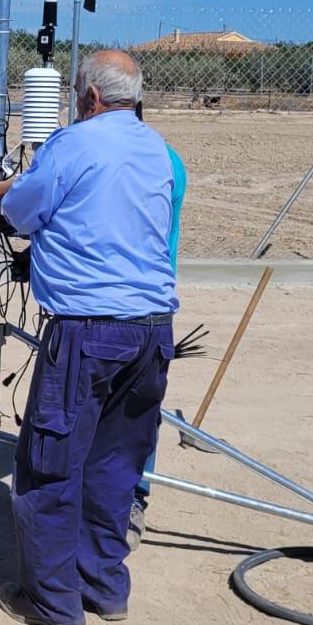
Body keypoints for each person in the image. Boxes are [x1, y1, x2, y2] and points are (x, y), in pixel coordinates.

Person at [0, 50, 177, 625]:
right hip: (151, 334)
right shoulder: (157, 149)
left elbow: (20, 214)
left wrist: (6, 189)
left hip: (87, 334)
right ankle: (104, 588)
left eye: (76, 93)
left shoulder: (72, 143)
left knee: (50, 464)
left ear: (90, 98)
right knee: (116, 464)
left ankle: (53, 604)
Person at [128, 124, 187, 548]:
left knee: (133, 412)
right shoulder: (168, 158)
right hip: (153, 311)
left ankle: (131, 498)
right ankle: (129, 498)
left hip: (116, 308)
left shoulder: (153, 161)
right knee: (138, 412)